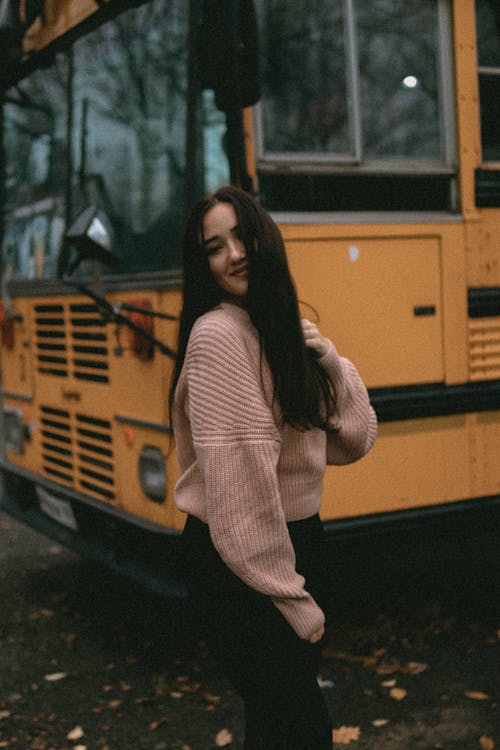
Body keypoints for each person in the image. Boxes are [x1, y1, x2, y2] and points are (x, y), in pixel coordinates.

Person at [169, 185, 377, 749]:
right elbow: (241, 499)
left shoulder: (276, 330)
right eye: (214, 247)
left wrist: (327, 357)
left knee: (275, 725)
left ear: (266, 236)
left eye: (241, 235)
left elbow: (356, 438)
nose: (234, 253)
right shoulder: (219, 336)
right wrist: (291, 599)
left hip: (292, 542)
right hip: (241, 566)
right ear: (204, 266)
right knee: (304, 729)